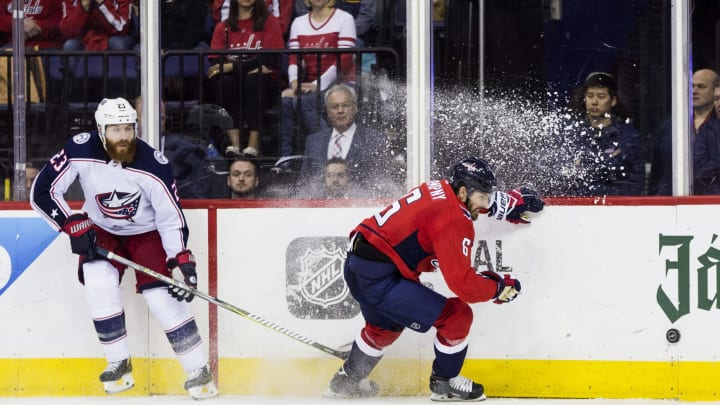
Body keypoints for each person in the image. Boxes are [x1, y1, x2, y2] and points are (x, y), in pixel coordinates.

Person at [29, 98, 218, 399]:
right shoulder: (80, 149)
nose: (124, 136)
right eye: (116, 129)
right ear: (101, 130)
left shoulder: (153, 165)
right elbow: (43, 191)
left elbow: (171, 218)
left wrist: (181, 260)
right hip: (102, 230)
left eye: (128, 128)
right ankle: (119, 363)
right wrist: (70, 223)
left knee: (161, 297)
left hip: (147, 233)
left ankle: (199, 371)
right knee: (98, 280)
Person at [324, 156, 543, 400]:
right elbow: (464, 286)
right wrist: (498, 288)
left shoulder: (437, 187)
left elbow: (447, 210)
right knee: (457, 316)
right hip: (379, 277)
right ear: (463, 191)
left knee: (383, 329)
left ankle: (345, 382)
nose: (484, 202)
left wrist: (499, 205)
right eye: (483, 195)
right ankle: (445, 383)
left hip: (360, 265)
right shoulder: (453, 219)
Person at [278, 0, 356, 159]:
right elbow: (294, 59)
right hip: (310, 86)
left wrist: (317, 85)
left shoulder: (345, 18)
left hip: (342, 83)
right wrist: (294, 83)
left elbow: (344, 58)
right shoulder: (298, 23)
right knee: (286, 101)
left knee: (304, 102)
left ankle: (325, 154)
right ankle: (286, 159)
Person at [208, 0, 285, 157]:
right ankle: (234, 143)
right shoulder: (223, 27)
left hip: (264, 84)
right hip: (233, 83)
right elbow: (217, 65)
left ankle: (253, 144)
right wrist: (247, 66)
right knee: (225, 82)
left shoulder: (270, 22)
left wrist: (233, 66)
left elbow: (270, 59)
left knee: (253, 79)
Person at [296, 84, 390, 194]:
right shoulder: (313, 141)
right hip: (321, 208)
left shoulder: (374, 139)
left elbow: (383, 183)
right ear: (327, 111)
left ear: (355, 108)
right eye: (334, 106)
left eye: (345, 105)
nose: (340, 110)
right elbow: (303, 185)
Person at [562, 72, 644, 196]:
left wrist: (582, 162)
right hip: (579, 205)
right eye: (590, 96)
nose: (594, 102)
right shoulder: (573, 132)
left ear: (613, 100)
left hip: (617, 205)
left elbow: (632, 178)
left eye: (601, 96)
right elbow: (565, 169)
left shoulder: (627, 135)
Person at [60, 0, 135, 51]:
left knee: (117, 43)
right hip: (85, 39)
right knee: (70, 45)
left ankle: (115, 74)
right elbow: (68, 31)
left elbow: (121, 27)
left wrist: (102, 3)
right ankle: (79, 74)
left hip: (115, 36)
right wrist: (84, 5)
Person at [294, 0, 374, 47]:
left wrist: (343, 34)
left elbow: (366, 16)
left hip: (352, 35)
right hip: (313, 34)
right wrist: (322, 34)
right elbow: (302, 13)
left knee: (357, 44)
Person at [213, 0, 294, 38]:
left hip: (266, 41)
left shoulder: (272, 23)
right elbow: (222, 29)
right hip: (232, 42)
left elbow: (280, 29)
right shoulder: (222, 27)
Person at [692, 68, 719, 134]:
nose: (693, 91)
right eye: (692, 86)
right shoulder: (673, 124)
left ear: (715, 90)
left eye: (701, 86)